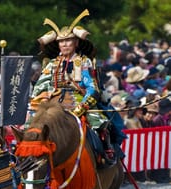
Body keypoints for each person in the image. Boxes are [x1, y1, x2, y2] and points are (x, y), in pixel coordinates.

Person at [30, 9, 123, 166]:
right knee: (32, 125)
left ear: (76, 43)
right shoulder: (52, 64)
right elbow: (40, 86)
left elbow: (92, 88)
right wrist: (39, 100)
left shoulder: (84, 62)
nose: (64, 44)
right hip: (54, 102)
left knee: (98, 122)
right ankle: (27, 155)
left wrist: (82, 107)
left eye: (68, 40)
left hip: (79, 99)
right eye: (61, 41)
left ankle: (106, 150)